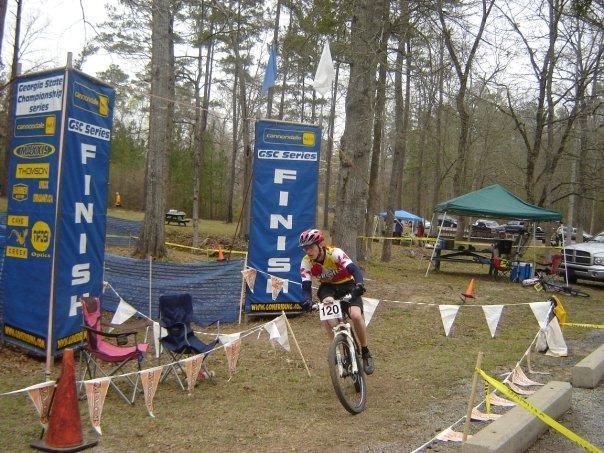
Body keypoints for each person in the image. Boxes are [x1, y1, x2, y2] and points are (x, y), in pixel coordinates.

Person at [298, 228, 374, 375]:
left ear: (320, 245)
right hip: (328, 288)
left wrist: (359, 285)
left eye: (311, 247)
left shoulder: (335, 253)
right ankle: (338, 351)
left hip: (348, 285)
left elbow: (354, 270)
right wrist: (306, 300)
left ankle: (365, 351)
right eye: (305, 248)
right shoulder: (306, 262)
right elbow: (306, 286)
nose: (308, 251)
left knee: (356, 316)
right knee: (329, 318)